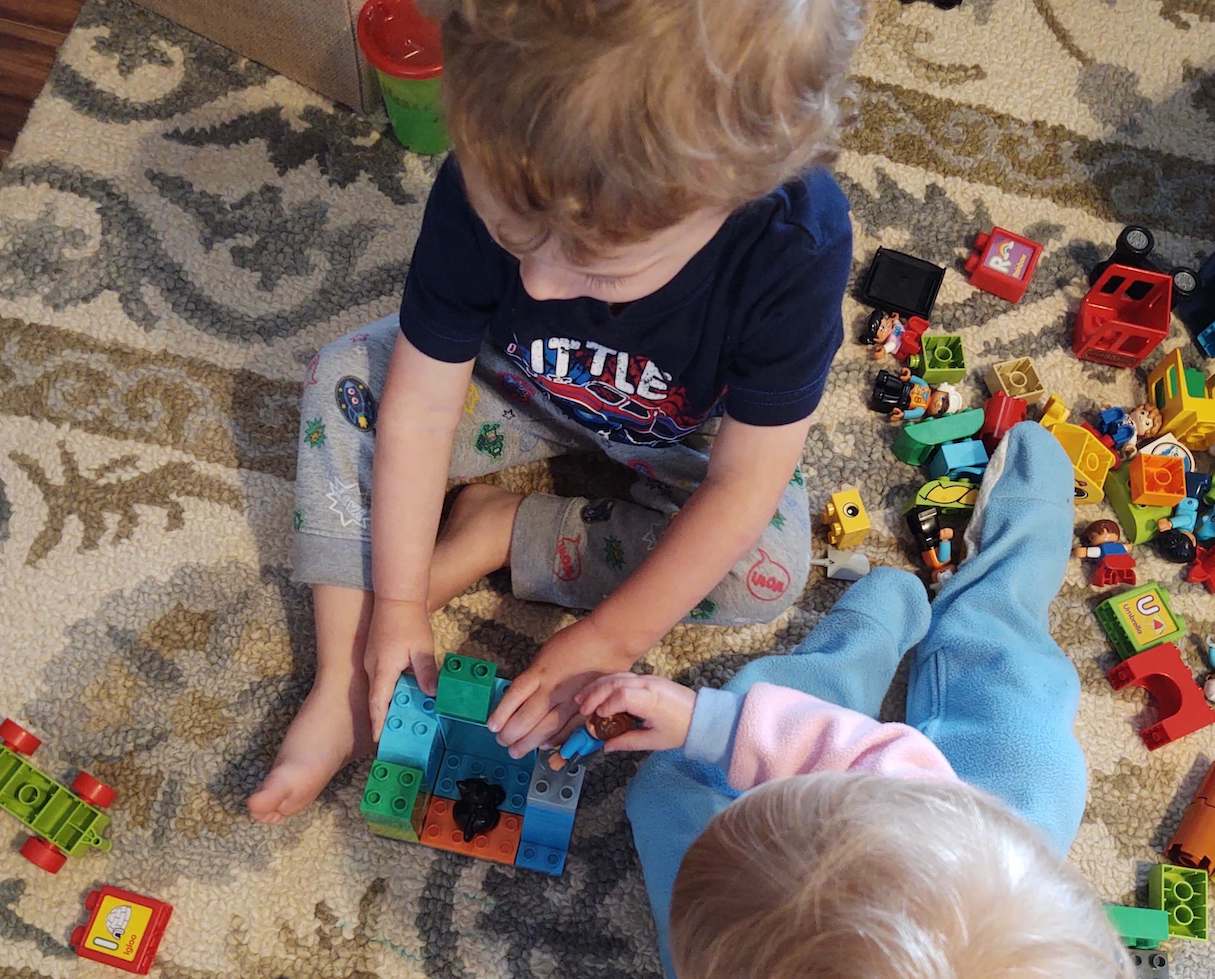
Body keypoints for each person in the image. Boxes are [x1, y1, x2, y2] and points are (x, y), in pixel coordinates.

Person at [248, 0, 866, 823]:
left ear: (734, 197)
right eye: (512, 239)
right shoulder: (496, 164)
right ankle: (340, 676)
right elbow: (420, 410)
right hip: (511, 381)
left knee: (767, 568)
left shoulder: (795, 246)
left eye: (598, 273)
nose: (535, 286)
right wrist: (394, 608)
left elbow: (744, 483)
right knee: (345, 378)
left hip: (678, 430)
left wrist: (611, 638)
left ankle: (505, 530)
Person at [576, 424, 1132, 977]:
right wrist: (710, 723)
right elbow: (876, 764)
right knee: (1026, 730)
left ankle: (851, 655)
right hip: (990, 857)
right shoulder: (937, 834)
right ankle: (1008, 577)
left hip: (926, 892)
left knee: (671, 785)